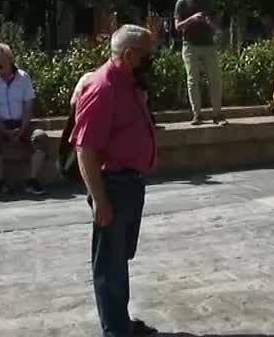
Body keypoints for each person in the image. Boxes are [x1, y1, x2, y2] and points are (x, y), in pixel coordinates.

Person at [71, 25, 161, 337]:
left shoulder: (128, 83)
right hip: (113, 185)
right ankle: (116, 331)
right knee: (109, 264)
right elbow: (85, 149)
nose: (151, 61)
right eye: (147, 56)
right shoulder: (103, 87)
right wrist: (100, 199)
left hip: (131, 183)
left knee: (120, 257)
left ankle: (119, 322)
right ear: (129, 55)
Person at [0, 44, 51, 196]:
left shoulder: (23, 78)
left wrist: (22, 129)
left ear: (10, 60)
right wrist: (5, 131)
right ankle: (0, 182)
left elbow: (28, 108)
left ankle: (32, 180)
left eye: (0, 62)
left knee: (40, 137)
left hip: (22, 123)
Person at [173, 0, 224, 126]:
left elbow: (217, 29)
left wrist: (209, 23)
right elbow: (177, 26)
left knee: (215, 79)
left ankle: (217, 114)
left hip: (208, 44)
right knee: (193, 80)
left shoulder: (210, 3)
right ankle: (197, 114)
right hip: (190, 45)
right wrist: (192, 19)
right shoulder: (182, 3)